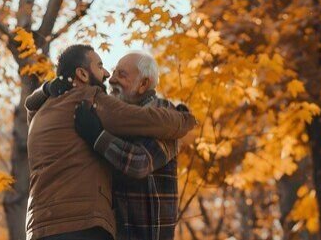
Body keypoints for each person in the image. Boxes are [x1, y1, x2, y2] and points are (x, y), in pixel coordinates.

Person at [25, 45, 196, 240]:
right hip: (97, 228)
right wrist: (47, 88)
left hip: (145, 234)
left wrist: (97, 136)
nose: (110, 77)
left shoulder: (161, 109)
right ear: (82, 73)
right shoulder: (92, 104)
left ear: (143, 84)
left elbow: (139, 163)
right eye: (106, 69)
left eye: (121, 74)